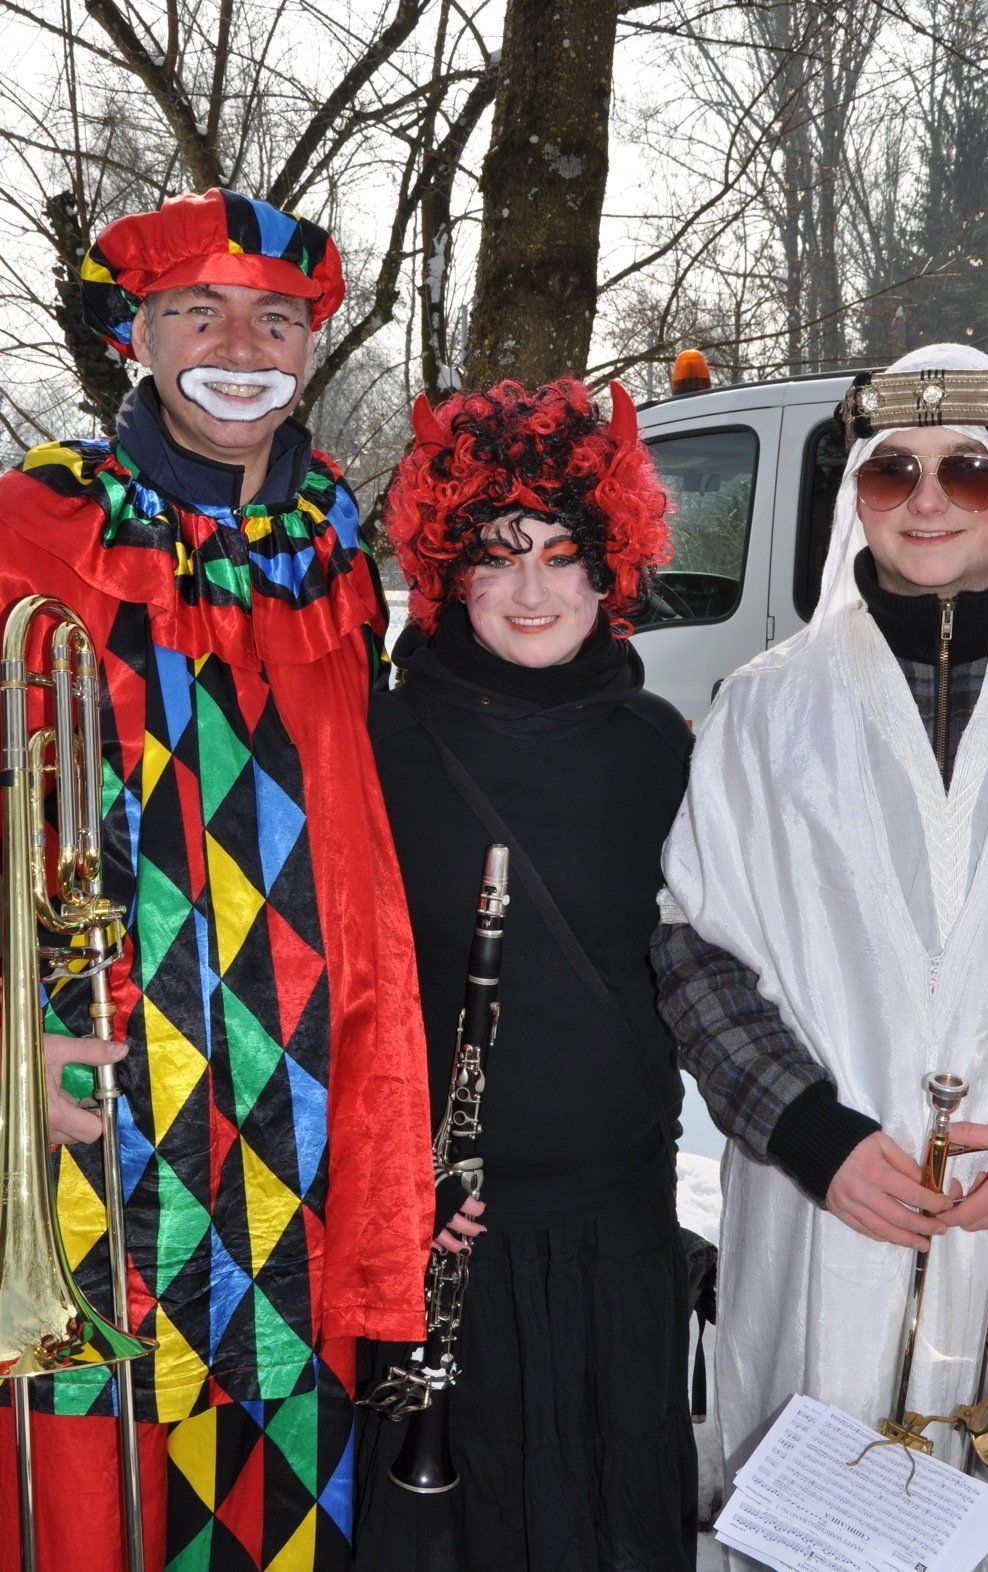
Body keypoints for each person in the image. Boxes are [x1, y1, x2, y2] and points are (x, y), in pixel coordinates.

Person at [0, 187, 433, 1572]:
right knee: (101, 1480)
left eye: (276, 319)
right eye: (199, 312)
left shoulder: (334, 550)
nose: (241, 347)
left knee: (281, 1468)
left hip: (307, 1095)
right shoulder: (37, 529)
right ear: (136, 336)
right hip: (104, 1088)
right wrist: (12, 1041)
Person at [655, 342, 988, 1571]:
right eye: (892, 472)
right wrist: (810, 1132)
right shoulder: (767, 707)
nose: (926, 501)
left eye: (967, 471)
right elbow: (693, 946)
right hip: (825, 1212)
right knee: (821, 1531)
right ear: (856, 495)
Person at [352, 378, 700, 1572]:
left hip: (618, 1227)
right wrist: (393, 1171)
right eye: (498, 559)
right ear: (448, 575)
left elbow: (703, 967)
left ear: (612, 574)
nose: (535, 591)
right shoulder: (380, 744)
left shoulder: (657, 747)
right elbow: (332, 989)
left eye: (564, 556)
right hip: (444, 1237)